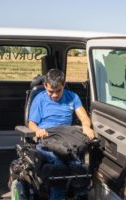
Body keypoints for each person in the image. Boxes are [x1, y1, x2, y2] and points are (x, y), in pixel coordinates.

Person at [27, 69, 94, 200]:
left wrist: (86, 127)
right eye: (51, 91)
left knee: (78, 166)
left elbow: (84, 117)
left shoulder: (72, 96)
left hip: (65, 137)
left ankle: (80, 195)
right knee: (60, 165)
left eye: (58, 91)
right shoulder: (39, 99)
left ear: (63, 85)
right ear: (45, 85)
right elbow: (31, 123)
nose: (54, 95)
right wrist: (37, 131)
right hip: (47, 138)